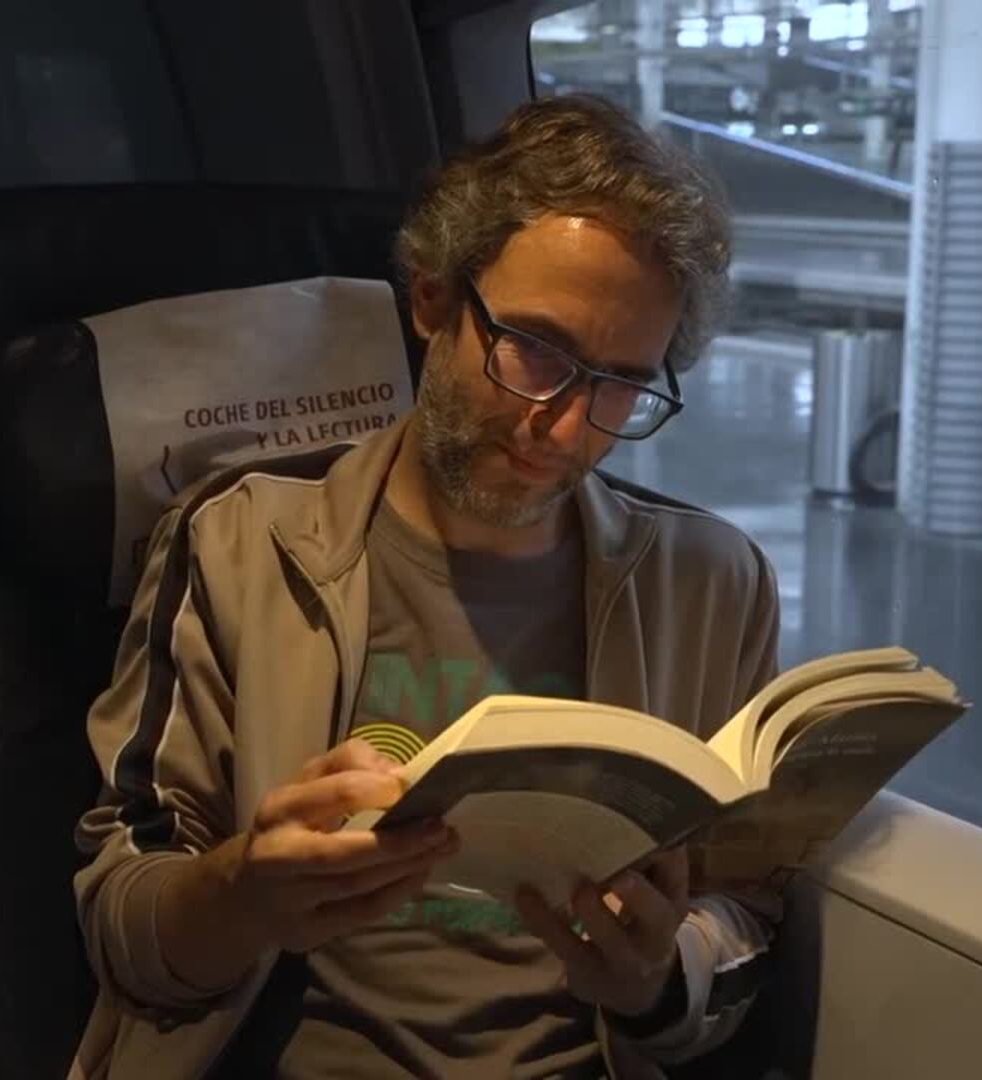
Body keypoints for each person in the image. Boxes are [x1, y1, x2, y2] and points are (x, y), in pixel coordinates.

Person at [70, 94, 782, 1080]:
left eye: (620, 382)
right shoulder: (239, 541)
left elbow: (746, 912)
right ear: (433, 300)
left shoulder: (710, 584)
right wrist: (243, 896)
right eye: (536, 350)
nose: (562, 429)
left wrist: (661, 979)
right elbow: (120, 927)